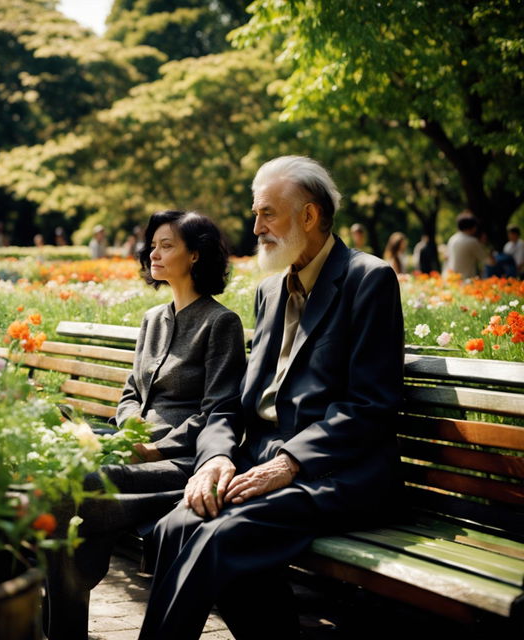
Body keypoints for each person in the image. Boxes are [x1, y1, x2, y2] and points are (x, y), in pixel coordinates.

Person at [137, 156, 404, 640]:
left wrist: (289, 463)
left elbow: (370, 405)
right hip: (259, 462)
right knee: (175, 527)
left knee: (217, 537)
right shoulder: (269, 290)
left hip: (336, 472)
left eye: (268, 214)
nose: (255, 227)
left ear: (309, 216)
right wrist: (215, 456)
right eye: (255, 213)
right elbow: (232, 403)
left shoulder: (368, 279)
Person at [45, 210, 246, 640]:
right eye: (152, 245)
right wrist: (128, 423)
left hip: (179, 465)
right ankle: (65, 609)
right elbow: (131, 392)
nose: (153, 252)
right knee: (54, 476)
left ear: (195, 255)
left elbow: (219, 409)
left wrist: (157, 445)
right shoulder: (153, 318)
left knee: (75, 489)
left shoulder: (220, 323)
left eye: (166, 245)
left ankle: (61, 619)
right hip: (128, 449)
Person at [444, 212, 491, 279]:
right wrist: (484, 245)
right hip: (466, 280)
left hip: (452, 279)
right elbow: (489, 261)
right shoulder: (471, 241)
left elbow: (446, 257)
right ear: (473, 227)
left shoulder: (452, 238)